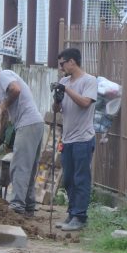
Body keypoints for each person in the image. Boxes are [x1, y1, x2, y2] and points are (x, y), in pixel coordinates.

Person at [0, 61, 44, 216]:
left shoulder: (4, 75)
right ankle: (28, 206)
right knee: (29, 167)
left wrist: (3, 105)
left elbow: (16, 90)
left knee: (19, 166)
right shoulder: (1, 89)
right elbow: (5, 116)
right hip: (33, 124)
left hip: (28, 124)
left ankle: (17, 206)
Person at [53, 47, 97, 231]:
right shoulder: (64, 81)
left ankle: (80, 217)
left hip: (83, 138)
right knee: (69, 179)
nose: (61, 67)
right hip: (68, 138)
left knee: (81, 178)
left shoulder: (90, 81)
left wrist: (67, 90)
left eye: (63, 63)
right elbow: (56, 110)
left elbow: (86, 103)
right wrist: (57, 97)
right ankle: (72, 214)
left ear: (72, 62)